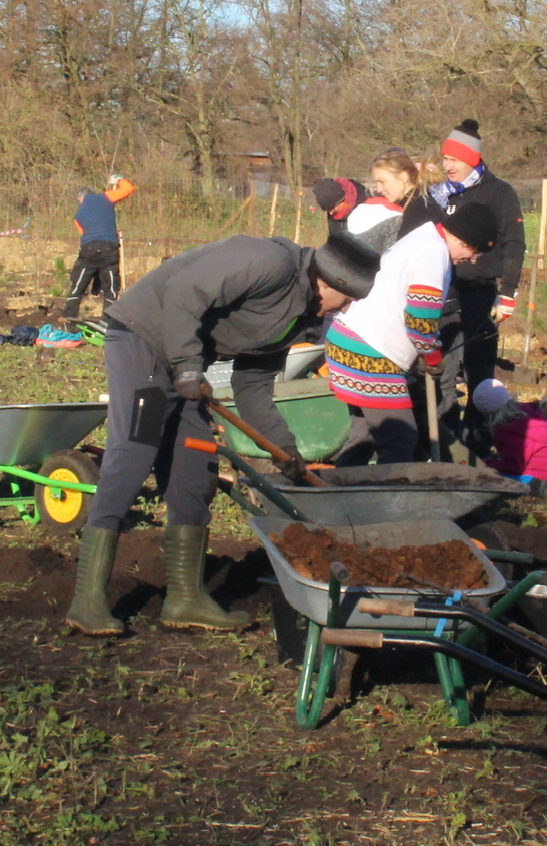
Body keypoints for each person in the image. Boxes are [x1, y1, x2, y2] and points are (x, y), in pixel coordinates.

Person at [65, 232, 379, 637]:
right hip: (142, 340)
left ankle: (184, 598)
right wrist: (189, 367)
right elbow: (183, 291)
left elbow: (253, 386)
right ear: (330, 284)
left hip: (183, 364)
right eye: (350, 298)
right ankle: (86, 601)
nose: (349, 306)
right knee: (133, 454)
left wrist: (284, 448)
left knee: (196, 470)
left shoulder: (300, 314)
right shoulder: (269, 262)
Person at [325, 201, 493, 466]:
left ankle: (341, 494)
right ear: (463, 238)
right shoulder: (433, 254)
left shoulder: (422, 236)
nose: (472, 259)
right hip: (370, 355)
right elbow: (420, 318)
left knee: (365, 435)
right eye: (475, 251)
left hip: (349, 342)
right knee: (400, 440)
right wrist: (432, 355)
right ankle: (391, 503)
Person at [423, 121, 527, 432]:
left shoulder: (500, 193)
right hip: (443, 292)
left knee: (479, 367)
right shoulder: (440, 194)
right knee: (441, 366)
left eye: (453, 159)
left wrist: (508, 290)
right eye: (444, 158)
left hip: (481, 293)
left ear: (472, 159)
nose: (447, 166)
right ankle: (444, 431)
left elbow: (515, 242)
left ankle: (480, 435)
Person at [59, 175, 136, 318]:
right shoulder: (106, 197)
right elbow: (128, 188)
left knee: (77, 286)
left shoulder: (78, 215)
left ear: (81, 199)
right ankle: (108, 324)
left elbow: (83, 234)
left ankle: (69, 321)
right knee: (111, 289)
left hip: (89, 249)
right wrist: (118, 179)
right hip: (110, 248)